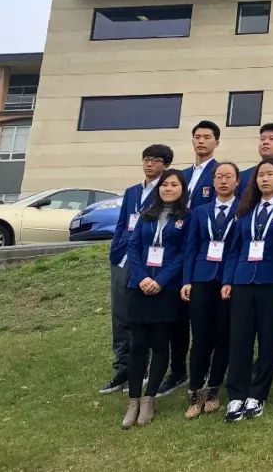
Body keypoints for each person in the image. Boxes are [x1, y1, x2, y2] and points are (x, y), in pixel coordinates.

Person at [222, 159, 273, 423]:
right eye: (260, 175)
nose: (264, 179)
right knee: (239, 339)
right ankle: (236, 395)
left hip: (272, 282)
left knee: (268, 340)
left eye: (270, 174)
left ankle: (257, 394)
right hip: (243, 281)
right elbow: (234, 249)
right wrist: (228, 280)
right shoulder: (245, 211)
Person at [121, 169, 190, 429]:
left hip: (166, 289)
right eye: (164, 185)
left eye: (174, 185)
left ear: (182, 189)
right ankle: (133, 401)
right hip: (139, 287)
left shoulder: (187, 217)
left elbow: (183, 254)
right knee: (138, 344)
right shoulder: (146, 215)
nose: (168, 189)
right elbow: (133, 247)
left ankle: (149, 399)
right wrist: (141, 278)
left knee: (161, 344)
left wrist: (160, 280)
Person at [101, 144, 172, 395]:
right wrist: (116, 250)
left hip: (147, 260)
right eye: (146, 159)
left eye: (155, 160)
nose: (149, 164)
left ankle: (142, 369)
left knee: (141, 317)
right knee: (120, 314)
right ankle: (121, 368)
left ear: (165, 165)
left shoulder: (166, 191)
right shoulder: (132, 191)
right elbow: (122, 223)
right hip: (123, 257)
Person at [159, 121, 223, 398]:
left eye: (207, 137)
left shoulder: (219, 173)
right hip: (175, 246)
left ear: (216, 142)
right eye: (197, 137)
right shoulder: (181, 175)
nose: (201, 141)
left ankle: (207, 370)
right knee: (176, 317)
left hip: (203, 249)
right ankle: (177, 370)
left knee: (204, 319)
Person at [181, 162, 241, 419]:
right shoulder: (201, 211)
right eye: (219, 177)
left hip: (228, 281)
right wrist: (187, 280)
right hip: (202, 278)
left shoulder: (244, 210)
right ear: (213, 181)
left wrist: (230, 279)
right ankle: (195, 392)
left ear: (237, 181)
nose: (223, 181)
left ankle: (214, 389)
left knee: (222, 336)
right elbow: (191, 248)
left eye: (228, 176)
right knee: (200, 337)